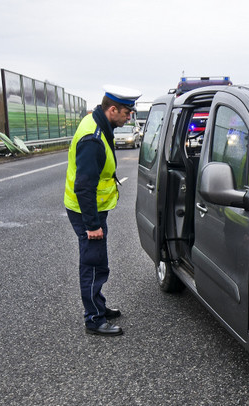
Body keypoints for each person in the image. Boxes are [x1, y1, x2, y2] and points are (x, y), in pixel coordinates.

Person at [64, 85, 141, 336]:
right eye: (127, 113)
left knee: (98, 261)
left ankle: (98, 306)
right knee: (93, 262)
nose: (129, 117)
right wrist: (92, 225)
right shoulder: (93, 138)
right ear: (112, 109)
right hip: (87, 210)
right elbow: (84, 187)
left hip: (93, 209)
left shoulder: (98, 122)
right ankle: (94, 319)